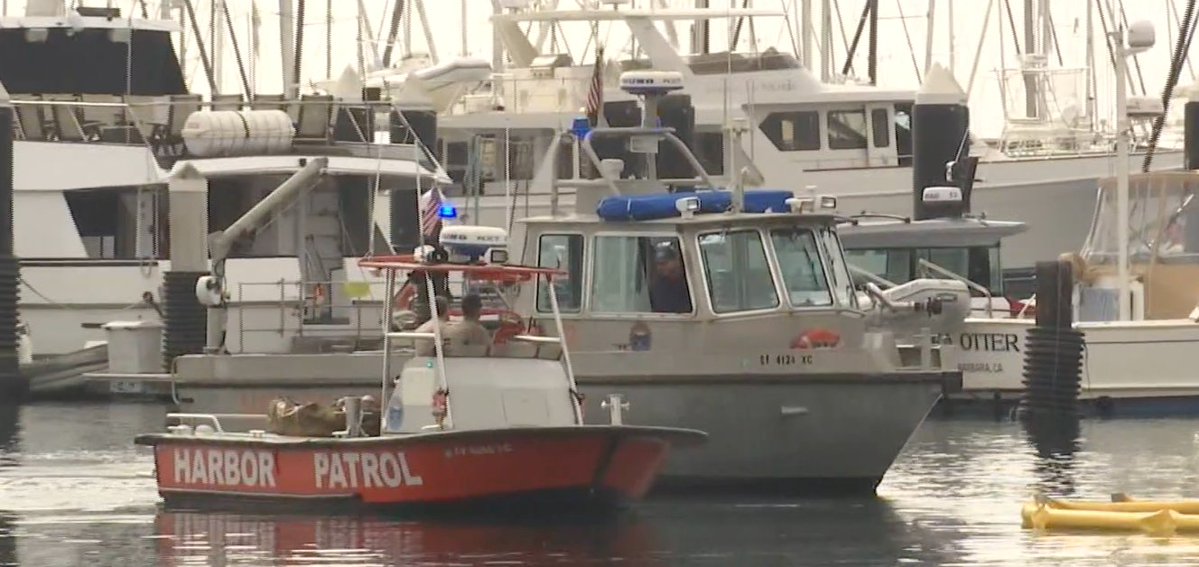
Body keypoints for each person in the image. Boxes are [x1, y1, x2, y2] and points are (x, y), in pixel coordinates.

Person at [648, 244, 692, 313]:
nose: (660, 268)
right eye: (657, 264)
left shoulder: (690, 282)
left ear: (676, 261)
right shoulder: (658, 287)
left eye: (664, 263)